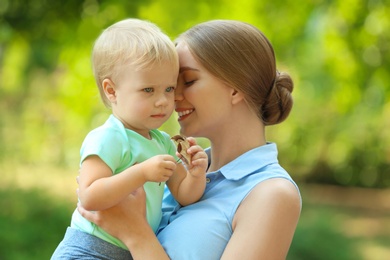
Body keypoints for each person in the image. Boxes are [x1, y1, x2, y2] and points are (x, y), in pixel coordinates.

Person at [78, 19, 302, 259]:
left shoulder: (272, 193)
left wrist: (135, 234)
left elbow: (132, 230)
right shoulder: (176, 164)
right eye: (171, 86)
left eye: (188, 81)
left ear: (236, 89)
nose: (172, 98)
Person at [51, 18, 207, 259]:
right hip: (89, 249)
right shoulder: (109, 137)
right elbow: (89, 196)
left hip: (130, 249)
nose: (163, 101)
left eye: (168, 89)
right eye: (148, 90)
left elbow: (184, 195)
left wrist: (196, 175)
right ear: (111, 90)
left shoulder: (163, 142)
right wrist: (142, 173)